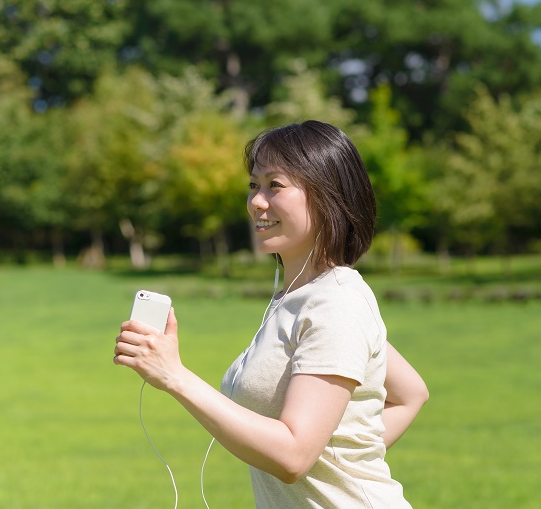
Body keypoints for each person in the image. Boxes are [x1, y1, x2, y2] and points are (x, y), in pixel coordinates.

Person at [114, 120, 428, 508]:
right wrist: (341, 458)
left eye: (274, 185)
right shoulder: (296, 297)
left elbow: (294, 456)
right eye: (253, 185)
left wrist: (175, 376)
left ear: (327, 195)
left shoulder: (337, 302)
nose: (257, 202)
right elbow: (410, 393)